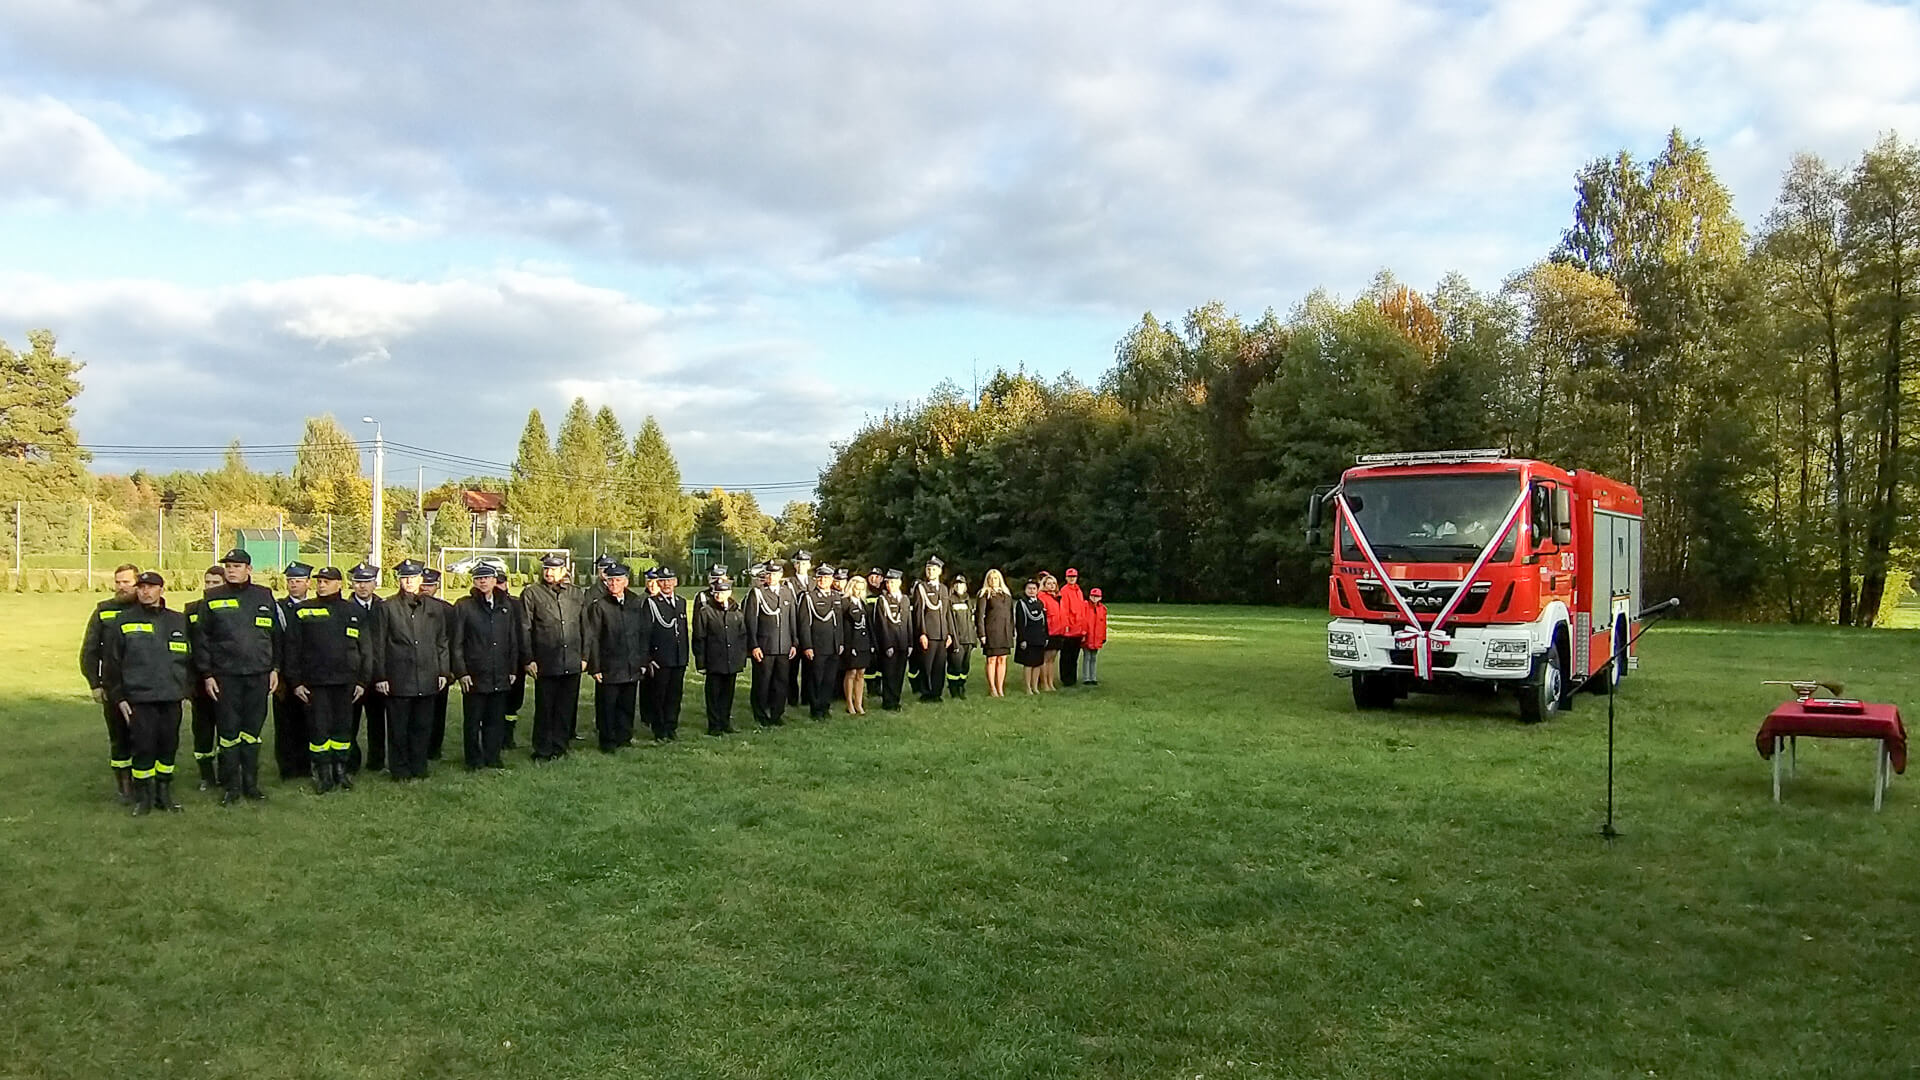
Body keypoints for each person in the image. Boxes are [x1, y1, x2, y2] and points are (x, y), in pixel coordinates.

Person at [192, 547, 282, 805]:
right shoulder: (211, 597)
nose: (231, 570)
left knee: (252, 732)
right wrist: (207, 674)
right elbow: (201, 639)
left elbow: (276, 635)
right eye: (228, 566)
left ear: (248, 569)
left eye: (237, 566)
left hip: (258, 674)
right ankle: (231, 786)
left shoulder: (264, 595)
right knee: (229, 733)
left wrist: (275, 668)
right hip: (225, 676)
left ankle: (251, 784)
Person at [101, 571, 192, 815]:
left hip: (171, 696)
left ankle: (164, 795)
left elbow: (189, 659)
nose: (145, 592)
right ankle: (144, 798)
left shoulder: (178, 621)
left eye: (151, 587)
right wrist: (119, 698)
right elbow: (112, 664)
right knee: (143, 748)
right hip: (139, 698)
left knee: (168, 747)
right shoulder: (123, 621)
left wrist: (186, 690)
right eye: (141, 587)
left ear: (162, 589)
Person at [282, 566, 370, 793]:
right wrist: (296, 682)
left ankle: (340, 770)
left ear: (339, 584)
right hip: (315, 682)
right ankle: (322, 773)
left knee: (343, 729)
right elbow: (291, 649)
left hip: (346, 682)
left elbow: (365, 649)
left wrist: (362, 681)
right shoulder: (302, 610)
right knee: (319, 730)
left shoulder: (353, 612)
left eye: (327, 581)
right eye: (319, 581)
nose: (322, 585)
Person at [371, 560, 450, 780]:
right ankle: (400, 769)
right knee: (398, 728)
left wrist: (443, 671)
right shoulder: (387, 608)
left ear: (420, 580)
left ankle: (419, 766)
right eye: (405, 577)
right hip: (398, 678)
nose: (409, 582)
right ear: (399, 580)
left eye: (413, 578)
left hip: (427, 676)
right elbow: (378, 644)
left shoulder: (434, 608)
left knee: (422, 727)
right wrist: (381, 676)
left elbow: (442, 641)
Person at [452, 564, 525, 769]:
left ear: (495, 580)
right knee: (473, 721)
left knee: (495, 719)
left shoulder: (506, 606)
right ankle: (473, 760)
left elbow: (512, 640)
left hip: (500, 672)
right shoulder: (464, 606)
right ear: (474, 581)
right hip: (475, 674)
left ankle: (493, 757)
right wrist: (462, 672)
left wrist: (512, 669)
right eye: (479, 578)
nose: (483, 581)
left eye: (487, 578)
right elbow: (456, 642)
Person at [80, 562, 140, 802]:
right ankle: (124, 785)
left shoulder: (148, 609)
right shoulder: (104, 610)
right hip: (113, 686)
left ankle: (145, 783)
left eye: (127, 582)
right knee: (119, 737)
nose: (121, 587)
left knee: (146, 736)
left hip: (144, 685)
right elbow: (90, 650)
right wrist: (95, 683)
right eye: (118, 582)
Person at [522, 552, 587, 761]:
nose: (549, 573)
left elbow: (585, 626)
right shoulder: (532, 594)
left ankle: (561, 746)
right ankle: (542, 749)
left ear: (563, 571)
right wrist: (528, 659)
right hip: (546, 660)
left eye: (553, 569)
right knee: (545, 707)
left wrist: (585, 656)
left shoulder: (576, 594)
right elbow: (525, 628)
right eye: (546, 569)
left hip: (572, 659)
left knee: (566, 707)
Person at [584, 563, 649, 751]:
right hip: (609, 665)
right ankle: (607, 741)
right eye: (610, 580)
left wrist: (643, 661)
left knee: (627, 704)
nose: (613, 583)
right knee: (607, 706)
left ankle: (624, 737)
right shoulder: (600, 605)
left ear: (626, 582)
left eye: (618, 580)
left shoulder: (636, 602)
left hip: (631, 664)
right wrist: (595, 667)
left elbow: (643, 633)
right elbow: (593, 637)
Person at [691, 571, 750, 735]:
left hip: (732, 660)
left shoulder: (736, 611)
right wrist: (701, 662)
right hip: (714, 660)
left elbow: (742, 636)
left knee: (728, 693)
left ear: (729, 593)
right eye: (716, 592)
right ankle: (714, 725)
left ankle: (725, 722)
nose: (719, 595)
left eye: (723, 592)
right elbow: (699, 637)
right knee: (714, 694)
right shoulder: (706, 611)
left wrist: (741, 658)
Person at [183, 566, 226, 789]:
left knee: (227, 729)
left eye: (215, 583)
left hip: (226, 679)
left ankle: (227, 772)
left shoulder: (231, 609)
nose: (210, 587)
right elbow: (186, 648)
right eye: (207, 582)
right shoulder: (191, 610)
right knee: (202, 730)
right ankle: (206, 776)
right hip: (200, 682)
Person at [272, 561, 314, 781]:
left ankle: (306, 766)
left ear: (308, 583)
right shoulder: (279, 608)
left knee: (308, 722)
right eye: (290, 581)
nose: (293, 585)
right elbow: (277, 640)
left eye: (298, 581)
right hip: (285, 676)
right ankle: (287, 768)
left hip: (309, 673)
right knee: (285, 724)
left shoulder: (316, 606)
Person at [345, 563, 387, 774]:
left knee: (377, 722)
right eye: (358, 582)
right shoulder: (345, 608)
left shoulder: (383, 607)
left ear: (375, 583)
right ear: (352, 584)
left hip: (378, 675)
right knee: (350, 722)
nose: (362, 587)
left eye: (367, 582)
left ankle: (377, 761)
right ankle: (351, 763)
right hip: (354, 674)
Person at [747, 560, 796, 727]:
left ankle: (777, 714)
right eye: (769, 574)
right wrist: (753, 645)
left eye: (775, 574)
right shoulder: (758, 593)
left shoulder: (787, 593)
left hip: (784, 645)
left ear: (780, 575)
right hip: (765, 646)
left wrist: (794, 642)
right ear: (765, 576)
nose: (772, 577)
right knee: (762, 682)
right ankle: (760, 714)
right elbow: (751, 621)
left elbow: (792, 619)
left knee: (781, 682)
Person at [646, 566, 690, 740]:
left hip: (679, 657)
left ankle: (672, 727)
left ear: (676, 582)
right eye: (663, 581)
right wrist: (649, 657)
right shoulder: (652, 603)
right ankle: (659, 730)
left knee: (675, 695)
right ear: (658, 583)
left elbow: (683, 630)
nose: (666, 584)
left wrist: (685, 655)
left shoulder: (681, 602)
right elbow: (646, 632)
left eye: (670, 580)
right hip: (661, 658)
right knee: (659, 695)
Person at [797, 563, 842, 720]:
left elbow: (839, 622)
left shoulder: (836, 597)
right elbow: (804, 624)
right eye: (821, 578)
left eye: (827, 578)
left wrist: (840, 642)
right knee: (816, 678)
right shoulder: (809, 597)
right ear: (816, 579)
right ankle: (815, 709)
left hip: (833, 645)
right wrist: (807, 646)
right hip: (817, 645)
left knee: (829, 679)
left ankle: (825, 707)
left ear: (831, 580)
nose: (824, 580)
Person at [909, 556, 954, 703]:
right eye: (928, 569)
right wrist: (922, 633)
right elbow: (918, 612)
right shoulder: (921, 588)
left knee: (939, 666)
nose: (931, 572)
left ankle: (937, 692)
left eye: (934, 569)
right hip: (928, 633)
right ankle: (926, 692)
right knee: (926, 665)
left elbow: (947, 613)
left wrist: (949, 634)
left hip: (942, 633)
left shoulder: (944, 589)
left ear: (940, 571)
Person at [421, 567, 455, 760]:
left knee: (438, 712)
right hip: (415, 668)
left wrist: (449, 671)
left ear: (436, 587)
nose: (425, 589)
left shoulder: (447, 609)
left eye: (429, 585)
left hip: (439, 668)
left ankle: (434, 749)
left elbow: (451, 639)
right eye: (423, 584)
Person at [874, 569, 913, 711]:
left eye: (893, 582)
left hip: (902, 642)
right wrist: (887, 644)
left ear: (899, 583)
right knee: (889, 673)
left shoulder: (905, 599)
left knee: (899, 673)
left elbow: (908, 622)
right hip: (889, 643)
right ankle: (888, 702)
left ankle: (896, 699)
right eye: (888, 582)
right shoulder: (882, 600)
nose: (890, 585)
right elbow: (882, 624)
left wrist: (910, 643)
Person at [977, 569, 1015, 698]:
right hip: (991, 631)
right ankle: (992, 688)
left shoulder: (1007, 595)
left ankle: (1000, 688)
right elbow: (980, 616)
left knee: (1002, 659)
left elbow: (1010, 616)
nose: (994, 581)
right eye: (991, 578)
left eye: (996, 578)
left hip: (1005, 631)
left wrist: (1011, 631)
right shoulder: (984, 595)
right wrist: (982, 634)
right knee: (992, 660)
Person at [838, 574, 873, 714]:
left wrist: (872, 643)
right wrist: (846, 645)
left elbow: (868, 625)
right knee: (851, 672)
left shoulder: (863, 603)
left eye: (861, 589)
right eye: (856, 589)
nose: (858, 592)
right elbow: (843, 626)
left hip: (863, 640)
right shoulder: (845, 603)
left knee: (861, 673)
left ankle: (859, 703)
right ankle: (849, 703)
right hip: (851, 641)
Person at [785, 550, 813, 708]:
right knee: (792, 667)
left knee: (809, 666)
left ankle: (807, 697)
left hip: (809, 629)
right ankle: (792, 698)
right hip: (793, 628)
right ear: (795, 565)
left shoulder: (814, 582)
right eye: (799, 563)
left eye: (805, 563)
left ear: (809, 565)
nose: (802, 566)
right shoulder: (788, 583)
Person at [1014, 578, 1049, 695]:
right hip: (1028, 638)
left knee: (1038, 663)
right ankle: (1028, 687)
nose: (1032, 590)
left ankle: (1035, 686)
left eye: (1034, 588)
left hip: (1039, 637)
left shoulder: (1040, 603)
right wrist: (1022, 639)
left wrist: (1046, 636)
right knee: (1029, 663)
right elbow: (1020, 623)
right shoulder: (1022, 603)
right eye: (1029, 588)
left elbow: (1044, 621)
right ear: (1025, 589)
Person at [946, 573, 978, 699]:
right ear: (954, 586)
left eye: (962, 584)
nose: (960, 586)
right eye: (957, 584)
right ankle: (953, 688)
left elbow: (971, 621)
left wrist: (973, 640)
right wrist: (953, 639)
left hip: (968, 639)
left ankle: (961, 685)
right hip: (957, 639)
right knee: (955, 665)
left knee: (965, 666)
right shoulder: (950, 600)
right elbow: (950, 621)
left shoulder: (968, 600)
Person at [1057, 567, 1090, 688]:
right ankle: (1066, 679)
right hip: (1069, 628)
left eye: (1074, 577)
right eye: (1070, 577)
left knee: (1074, 656)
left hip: (1078, 628)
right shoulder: (1064, 591)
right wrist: (1065, 625)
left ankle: (1072, 678)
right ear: (1066, 578)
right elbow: (1064, 610)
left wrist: (1083, 628)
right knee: (1066, 655)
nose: (1072, 579)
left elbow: (1082, 610)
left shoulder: (1078, 590)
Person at [1036, 572, 1065, 692]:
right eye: (1049, 583)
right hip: (1048, 631)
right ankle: (1044, 683)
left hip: (1059, 631)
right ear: (1044, 585)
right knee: (1045, 659)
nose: (1052, 585)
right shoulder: (1042, 597)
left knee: (1052, 659)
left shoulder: (1058, 597)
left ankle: (1050, 682)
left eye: (1053, 583)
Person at [1082, 587, 1108, 686]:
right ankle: (1086, 678)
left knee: (1094, 658)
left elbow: (1103, 624)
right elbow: (1083, 621)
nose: (1094, 598)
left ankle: (1093, 677)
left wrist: (1103, 637)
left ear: (1100, 598)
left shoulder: (1103, 609)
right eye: (1093, 596)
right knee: (1087, 657)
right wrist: (1083, 633)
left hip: (1097, 637)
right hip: (1087, 636)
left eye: (1097, 597)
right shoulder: (1085, 606)